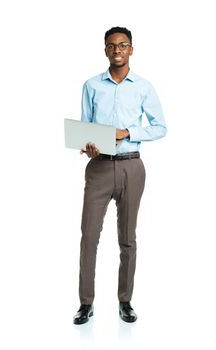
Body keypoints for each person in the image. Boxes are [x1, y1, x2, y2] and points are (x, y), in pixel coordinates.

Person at [73, 26, 167, 325]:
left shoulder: (143, 87)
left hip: (131, 167)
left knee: (127, 238)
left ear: (131, 49)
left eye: (123, 45)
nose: (117, 50)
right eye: (112, 46)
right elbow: (84, 128)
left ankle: (125, 301)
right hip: (98, 166)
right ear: (105, 50)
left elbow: (159, 127)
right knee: (89, 236)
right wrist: (86, 145)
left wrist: (128, 132)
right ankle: (85, 304)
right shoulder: (91, 85)